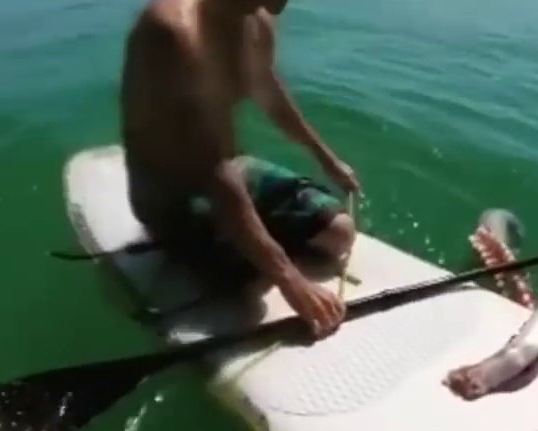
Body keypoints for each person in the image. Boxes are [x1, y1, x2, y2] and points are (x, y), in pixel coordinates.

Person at [120, 0, 361, 338]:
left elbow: (267, 88)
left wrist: (325, 157)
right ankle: (232, 251)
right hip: (171, 195)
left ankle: (252, 244)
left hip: (233, 170)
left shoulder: (258, 18)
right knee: (254, 284)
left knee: (340, 232)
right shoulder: (174, 33)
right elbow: (211, 170)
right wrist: (289, 278)